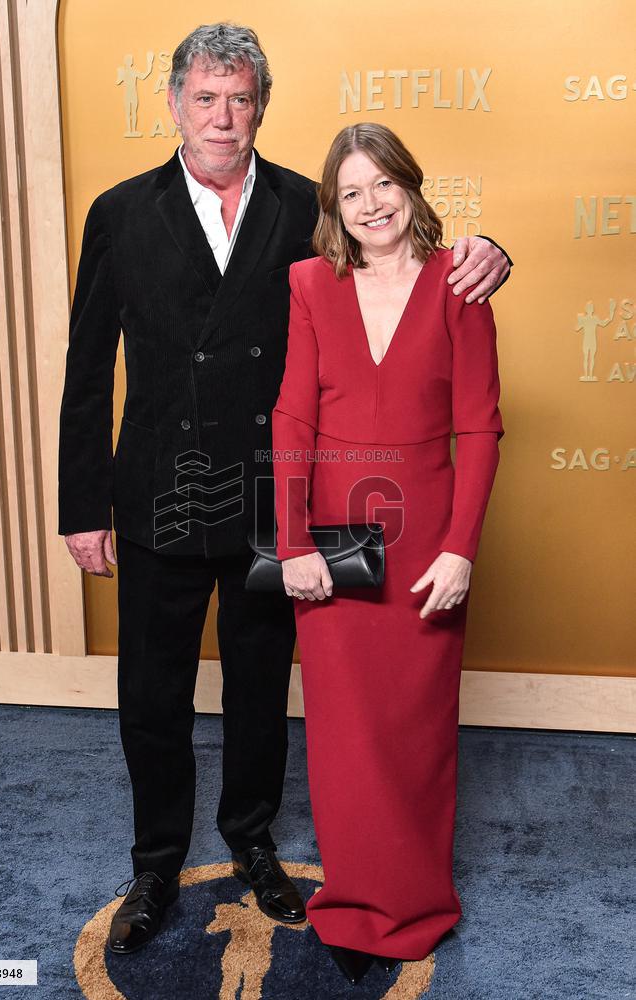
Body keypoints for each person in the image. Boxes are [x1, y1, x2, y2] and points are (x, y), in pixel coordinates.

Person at [58, 23, 513, 956]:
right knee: (152, 691)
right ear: (174, 102)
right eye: (205, 97)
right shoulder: (119, 210)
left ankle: (254, 844)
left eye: (241, 99)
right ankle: (154, 864)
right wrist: (81, 505)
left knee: (262, 688)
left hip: (273, 497)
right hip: (157, 489)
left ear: (262, 106)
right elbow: (87, 368)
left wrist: (491, 250)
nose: (223, 117)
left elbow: (401, 267)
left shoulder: (312, 205)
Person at [271, 122, 505, 984]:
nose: (371, 205)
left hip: (427, 542)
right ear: (334, 205)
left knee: (415, 731)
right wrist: (290, 541)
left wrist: (462, 549)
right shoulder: (308, 282)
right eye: (351, 191)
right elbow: (292, 415)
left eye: (384, 185)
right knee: (339, 732)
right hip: (332, 539)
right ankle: (353, 902)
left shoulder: (462, 283)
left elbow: (480, 425)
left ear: (411, 186)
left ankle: (417, 905)